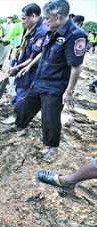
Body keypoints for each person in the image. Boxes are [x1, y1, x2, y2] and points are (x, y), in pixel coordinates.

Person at [8, 0, 88, 161]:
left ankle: (52, 148)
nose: (44, 22)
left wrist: (68, 91)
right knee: (26, 106)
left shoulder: (75, 35)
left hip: (56, 85)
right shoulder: (51, 29)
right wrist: (29, 66)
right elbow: (42, 52)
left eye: (47, 18)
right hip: (40, 78)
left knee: (50, 117)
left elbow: (76, 66)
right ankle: (19, 125)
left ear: (58, 17)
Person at [8, 4, 47, 109]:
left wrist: (17, 68)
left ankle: (18, 117)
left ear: (33, 16)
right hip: (24, 65)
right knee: (19, 89)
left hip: (31, 70)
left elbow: (34, 57)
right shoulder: (30, 28)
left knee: (23, 92)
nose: (22, 21)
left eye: (24, 18)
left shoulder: (41, 32)